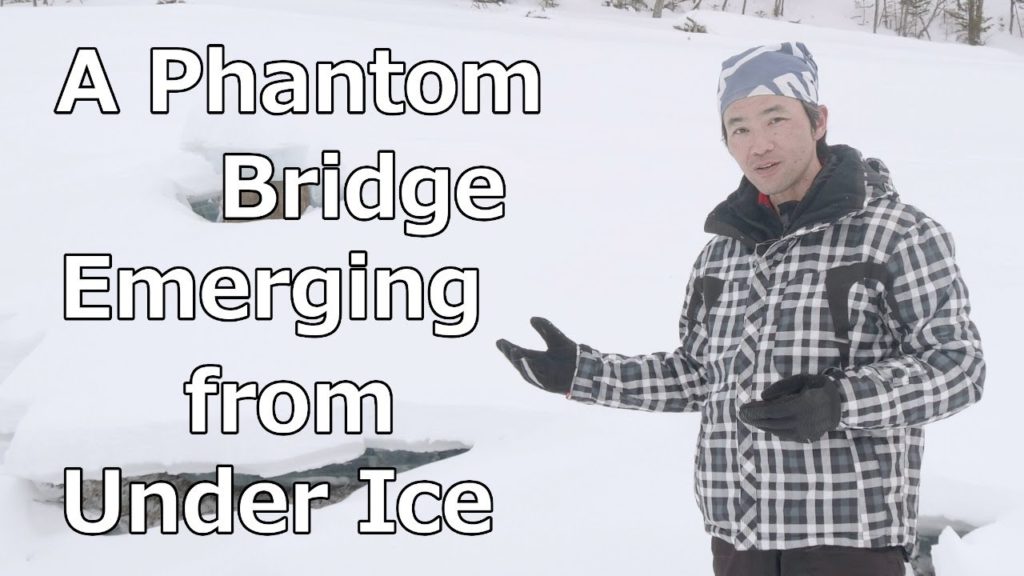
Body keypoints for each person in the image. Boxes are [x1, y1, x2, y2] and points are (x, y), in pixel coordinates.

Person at [495, 42, 985, 576]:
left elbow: (958, 367)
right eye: (739, 128)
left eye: (775, 118)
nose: (759, 144)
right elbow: (699, 376)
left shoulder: (897, 235)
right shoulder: (721, 256)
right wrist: (582, 374)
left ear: (818, 120)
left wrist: (838, 402)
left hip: (849, 543)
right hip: (737, 544)